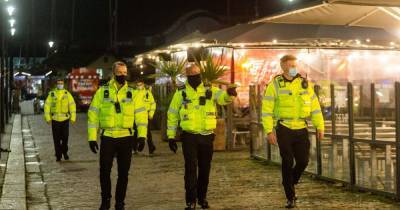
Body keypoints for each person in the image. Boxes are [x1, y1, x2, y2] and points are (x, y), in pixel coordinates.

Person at [167, 64, 237, 210]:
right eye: (192, 75)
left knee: (205, 169)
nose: (195, 77)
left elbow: (224, 99)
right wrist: (171, 136)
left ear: (201, 74)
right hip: (189, 136)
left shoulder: (210, 89)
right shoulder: (181, 93)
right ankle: (190, 201)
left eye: (197, 74)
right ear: (187, 76)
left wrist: (230, 93)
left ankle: (202, 198)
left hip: (206, 135)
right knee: (190, 169)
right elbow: (172, 114)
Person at [261, 55, 324, 208]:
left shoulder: (304, 84)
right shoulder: (275, 84)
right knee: (287, 161)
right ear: (283, 67)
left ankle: (290, 181)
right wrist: (269, 131)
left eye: (295, 64)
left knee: (303, 161)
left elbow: (315, 107)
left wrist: (320, 126)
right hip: (284, 128)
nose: (293, 67)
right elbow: (267, 109)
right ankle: (290, 196)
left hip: (302, 128)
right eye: (290, 65)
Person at [87, 61, 148, 210]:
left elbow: (141, 116)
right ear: (113, 74)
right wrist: (92, 137)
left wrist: (142, 136)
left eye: (125, 72)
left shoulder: (133, 93)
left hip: (126, 138)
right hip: (108, 137)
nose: (123, 75)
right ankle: (105, 201)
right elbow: (93, 114)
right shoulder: (102, 92)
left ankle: (120, 202)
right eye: (120, 73)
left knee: (123, 173)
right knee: (104, 171)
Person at [44, 79, 76, 161]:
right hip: (55, 120)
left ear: (63, 84)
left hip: (65, 120)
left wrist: (73, 117)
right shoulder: (52, 94)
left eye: (61, 83)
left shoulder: (67, 94)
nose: (60, 85)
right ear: (56, 85)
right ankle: (58, 155)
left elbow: (72, 105)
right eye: (58, 83)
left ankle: (64, 152)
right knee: (56, 139)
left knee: (65, 138)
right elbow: (47, 106)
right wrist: (48, 118)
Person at [132, 79, 157, 155]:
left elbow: (153, 104)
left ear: (143, 84)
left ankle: (151, 148)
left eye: (140, 84)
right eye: (138, 84)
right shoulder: (133, 93)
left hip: (146, 116)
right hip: (134, 116)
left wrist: (151, 114)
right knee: (135, 133)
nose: (139, 86)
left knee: (148, 133)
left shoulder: (147, 93)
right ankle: (135, 148)